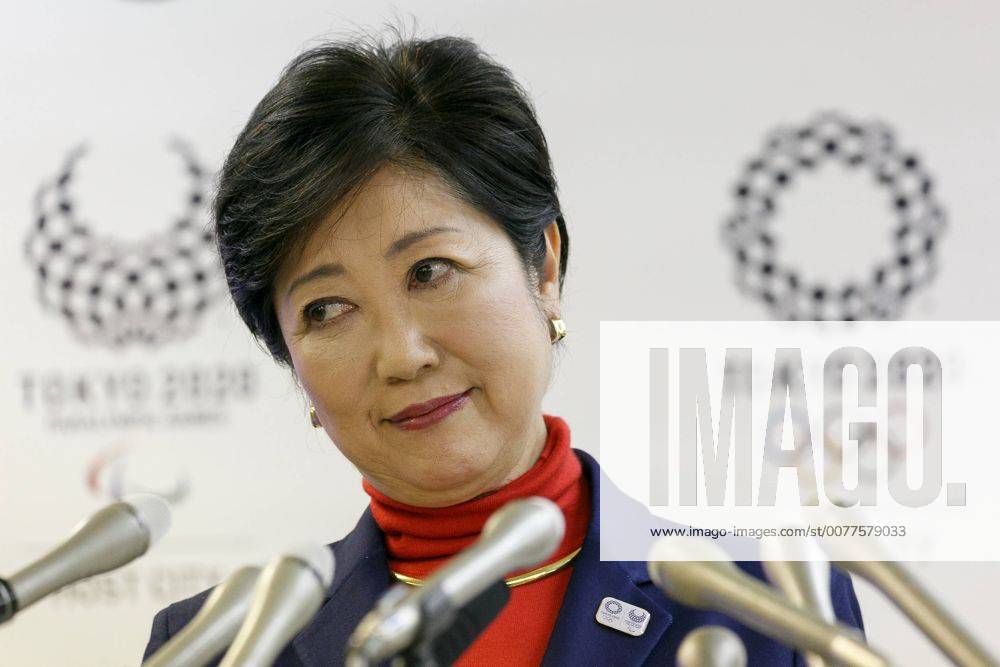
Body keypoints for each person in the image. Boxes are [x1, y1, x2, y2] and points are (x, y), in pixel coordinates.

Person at [142, 28, 865, 665]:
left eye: (430, 272)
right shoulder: (219, 645)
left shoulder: (768, 599)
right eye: (328, 310)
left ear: (543, 267)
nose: (401, 355)